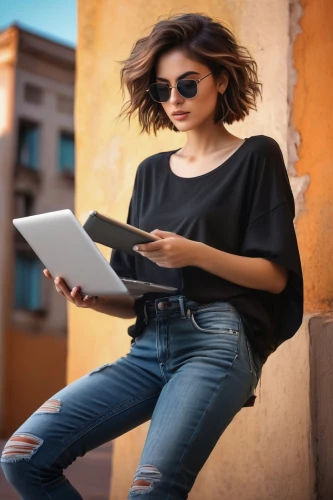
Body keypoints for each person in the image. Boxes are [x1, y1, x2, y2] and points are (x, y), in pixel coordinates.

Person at [1, 12, 303, 500]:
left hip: (216, 344)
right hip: (148, 345)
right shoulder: (152, 173)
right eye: (162, 89)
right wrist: (91, 298)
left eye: (187, 83)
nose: (174, 100)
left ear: (221, 79)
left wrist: (195, 254)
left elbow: (274, 278)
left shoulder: (256, 157)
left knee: (150, 491)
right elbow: (132, 296)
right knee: (23, 456)